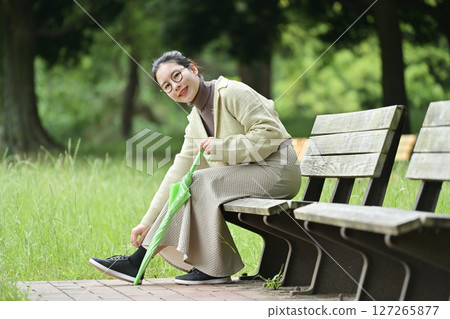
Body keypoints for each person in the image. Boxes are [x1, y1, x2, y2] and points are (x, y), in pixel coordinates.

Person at [89, 50, 301, 285]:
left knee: (199, 180)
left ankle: (150, 262)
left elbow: (270, 134)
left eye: (177, 76)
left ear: (193, 69)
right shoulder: (195, 121)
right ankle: (146, 260)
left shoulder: (231, 92)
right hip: (250, 174)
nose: (175, 87)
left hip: (279, 169)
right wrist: (147, 222)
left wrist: (220, 147)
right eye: (167, 86)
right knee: (189, 182)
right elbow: (178, 172)